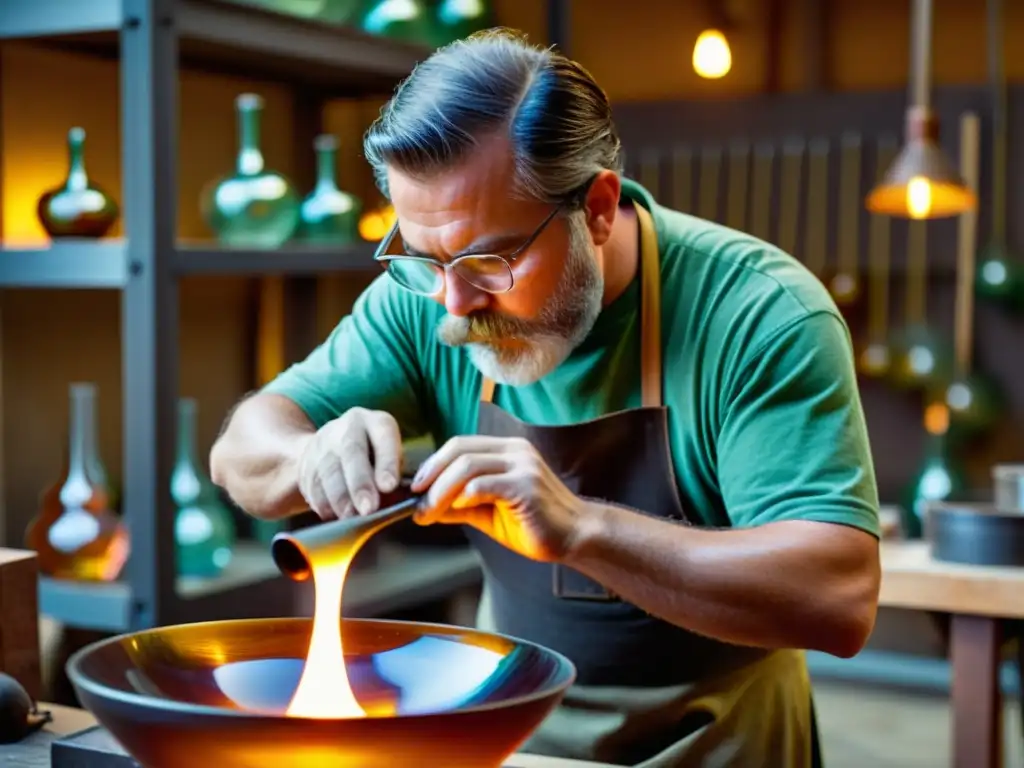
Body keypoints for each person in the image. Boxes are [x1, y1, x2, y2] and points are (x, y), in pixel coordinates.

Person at [210, 28, 881, 768]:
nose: (455, 305)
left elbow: (837, 595)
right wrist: (312, 455)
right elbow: (241, 451)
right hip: (512, 739)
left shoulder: (759, 311)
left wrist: (581, 528)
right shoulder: (428, 299)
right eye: (423, 257)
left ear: (597, 207)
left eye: (491, 260)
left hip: (723, 744)